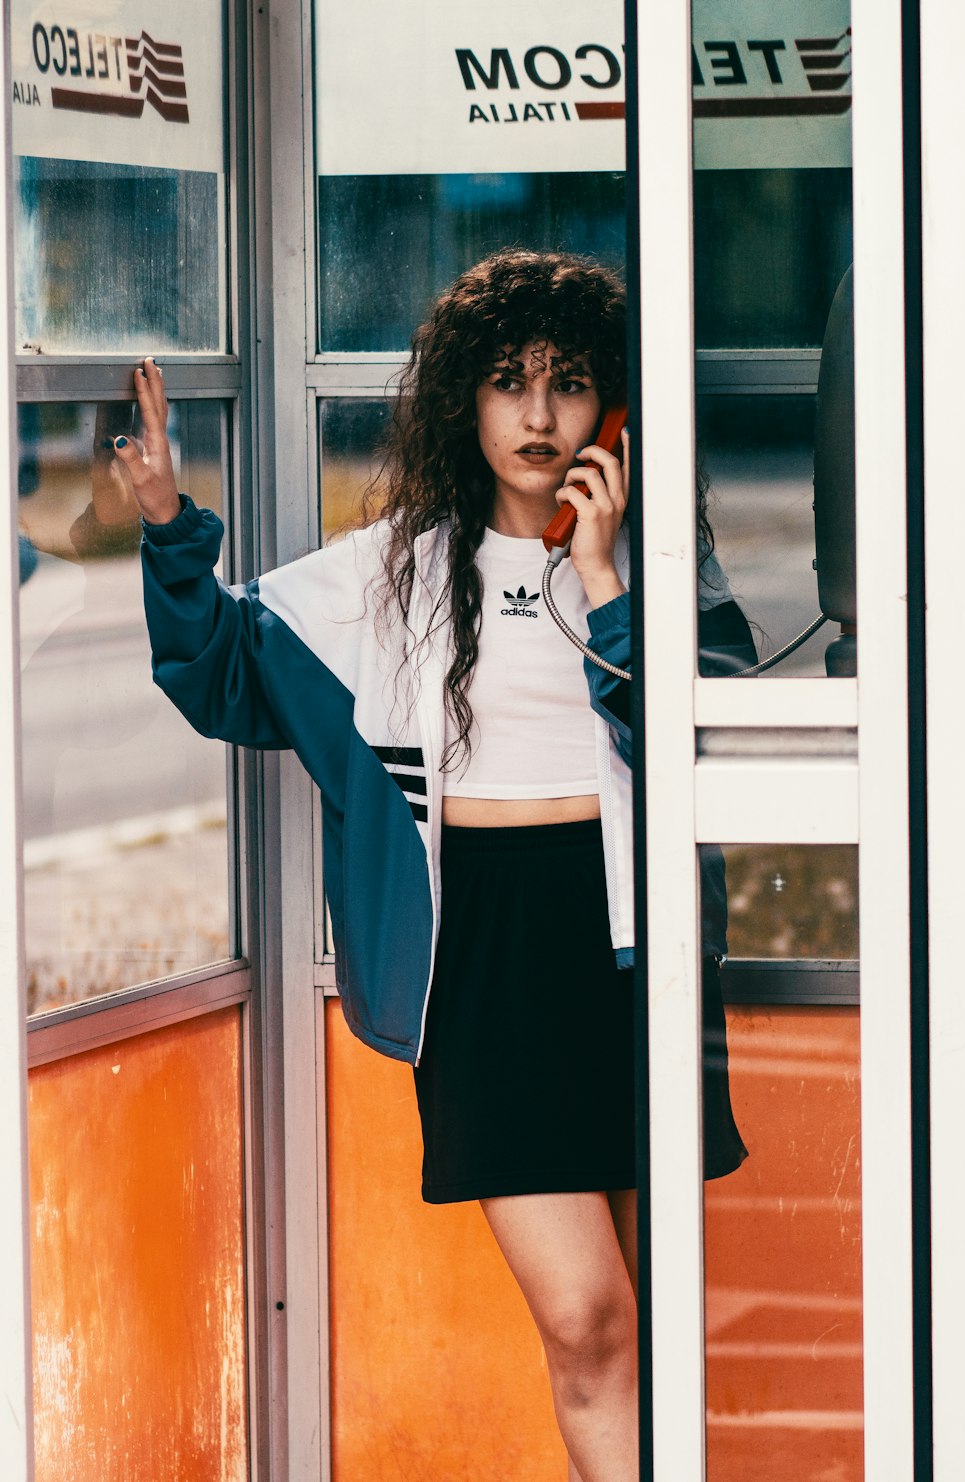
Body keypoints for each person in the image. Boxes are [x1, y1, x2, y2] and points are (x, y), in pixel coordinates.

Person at [114, 250, 752, 1482]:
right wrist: (163, 528)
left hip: (632, 942)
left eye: (570, 384)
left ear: (611, 406)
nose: (540, 415)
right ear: (466, 400)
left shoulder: (663, 571)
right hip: (487, 966)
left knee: (646, 1334)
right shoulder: (392, 573)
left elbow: (701, 742)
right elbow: (221, 671)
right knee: (587, 1319)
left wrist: (608, 580)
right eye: (510, 383)